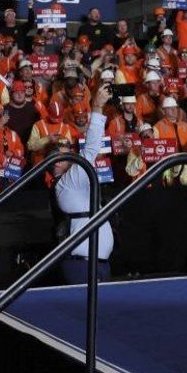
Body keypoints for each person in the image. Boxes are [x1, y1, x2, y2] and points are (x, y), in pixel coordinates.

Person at [52, 83, 113, 282]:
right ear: (57, 164)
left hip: (98, 264)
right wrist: (96, 108)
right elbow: (90, 150)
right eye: (65, 156)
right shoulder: (67, 182)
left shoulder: (76, 181)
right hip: (82, 266)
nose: (71, 156)